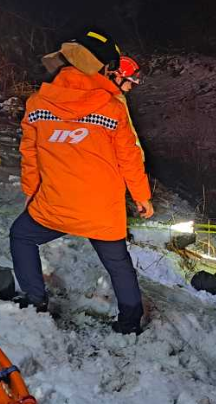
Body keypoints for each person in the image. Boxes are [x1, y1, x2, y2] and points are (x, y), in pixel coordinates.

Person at [9, 29, 153, 334]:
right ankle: (130, 322)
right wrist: (142, 196)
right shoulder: (112, 108)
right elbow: (129, 158)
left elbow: (30, 156)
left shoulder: (37, 104)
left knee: (21, 236)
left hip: (54, 205)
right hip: (102, 210)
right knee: (118, 263)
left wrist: (31, 193)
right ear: (102, 69)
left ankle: (35, 301)